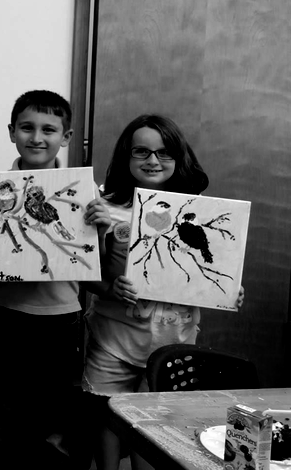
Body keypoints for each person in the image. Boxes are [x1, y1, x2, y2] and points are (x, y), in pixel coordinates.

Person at [83, 114, 245, 470]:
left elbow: (210, 271)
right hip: (114, 339)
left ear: (178, 156)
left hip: (173, 341)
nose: (153, 160)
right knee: (108, 415)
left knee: (154, 423)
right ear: (126, 155)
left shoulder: (198, 210)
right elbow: (85, 275)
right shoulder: (105, 208)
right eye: (141, 151)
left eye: (163, 152)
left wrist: (228, 290)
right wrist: (111, 288)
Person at [0, 90, 89, 467]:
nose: (37, 137)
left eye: (49, 129)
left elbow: (89, 255)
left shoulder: (82, 190)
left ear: (66, 137)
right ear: (11, 132)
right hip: (6, 312)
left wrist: (98, 224)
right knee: (3, 407)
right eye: (27, 128)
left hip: (60, 317)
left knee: (54, 409)